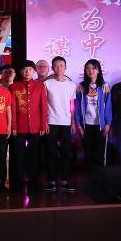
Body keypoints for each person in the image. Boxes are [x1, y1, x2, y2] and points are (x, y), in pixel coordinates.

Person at [10, 61, 48, 192]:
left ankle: (33, 182)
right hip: (19, 127)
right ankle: (18, 182)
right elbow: (13, 108)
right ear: (21, 72)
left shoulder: (40, 85)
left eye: (30, 70)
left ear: (34, 71)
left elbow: (43, 106)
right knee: (18, 156)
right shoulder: (14, 86)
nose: (27, 72)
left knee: (34, 156)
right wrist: (13, 127)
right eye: (25, 70)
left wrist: (42, 125)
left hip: (36, 127)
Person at [43, 56, 77, 192]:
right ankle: (51, 181)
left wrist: (73, 122)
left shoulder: (71, 85)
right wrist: (45, 122)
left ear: (65, 67)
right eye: (56, 66)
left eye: (61, 65)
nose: (59, 68)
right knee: (51, 153)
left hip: (66, 123)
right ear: (52, 68)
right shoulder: (47, 84)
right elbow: (44, 104)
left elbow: (72, 105)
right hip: (51, 122)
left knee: (66, 153)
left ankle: (65, 181)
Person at [74, 59, 113, 171]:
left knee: (99, 154)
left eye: (93, 68)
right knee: (88, 153)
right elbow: (77, 106)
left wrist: (108, 124)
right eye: (88, 68)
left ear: (98, 70)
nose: (90, 71)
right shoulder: (81, 86)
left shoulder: (104, 86)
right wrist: (79, 125)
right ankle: (90, 178)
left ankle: (100, 178)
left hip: (100, 125)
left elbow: (108, 106)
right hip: (86, 125)